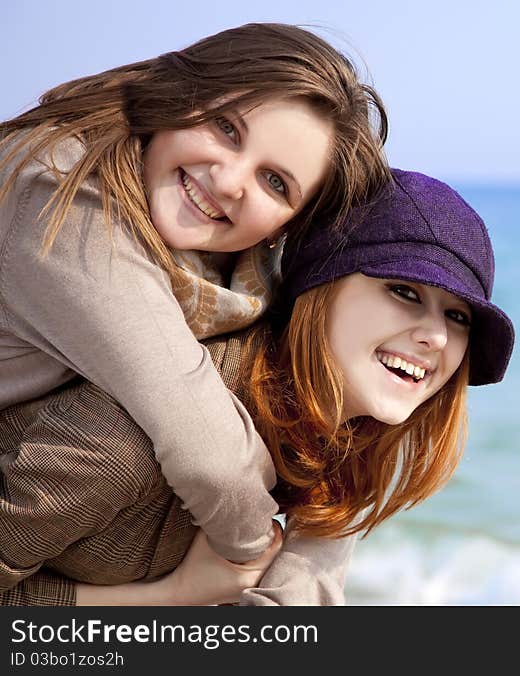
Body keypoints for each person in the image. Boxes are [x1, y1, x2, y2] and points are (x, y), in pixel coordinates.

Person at [0, 169, 515, 605]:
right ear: (318, 288)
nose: (436, 335)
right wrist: (171, 596)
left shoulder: (336, 444)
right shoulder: (123, 445)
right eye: (403, 291)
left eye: (458, 316)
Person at [0, 23, 390, 567]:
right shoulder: (56, 188)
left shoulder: (240, 276)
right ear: (178, 97)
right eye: (226, 128)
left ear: (288, 227)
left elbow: (326, 426)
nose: (230, 182)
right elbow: (209, 454)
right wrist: (250, 562)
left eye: (276, 182)